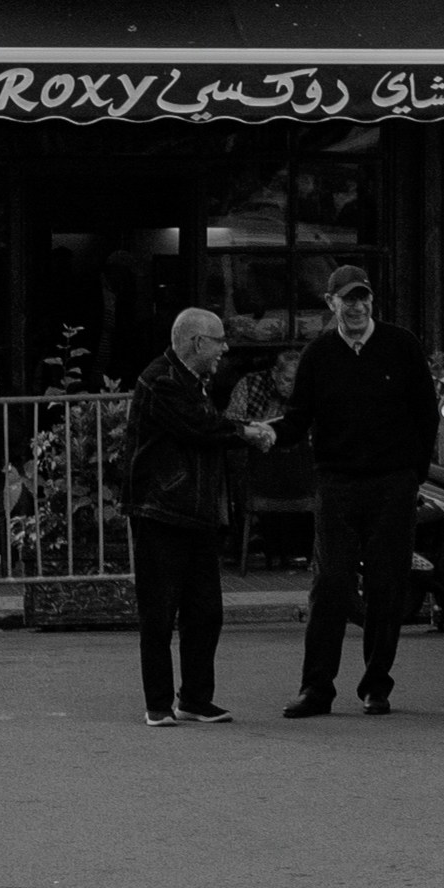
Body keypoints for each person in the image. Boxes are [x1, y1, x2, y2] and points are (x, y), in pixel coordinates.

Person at [280, 264, 440, 721]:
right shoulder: (318, 356)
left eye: (363, 298)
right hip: (337, 483)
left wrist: (414, 474)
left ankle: (376, 686)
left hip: (392, 483)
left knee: (388, 584)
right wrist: (265, 435)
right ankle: (316, 689)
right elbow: (297, 418)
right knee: (330, 583)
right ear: (331, 303)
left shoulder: (401, 346)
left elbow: (426, 414)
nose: (356, 307)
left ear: (372, 301)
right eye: (347, 299)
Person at [122, 306, 274, 730]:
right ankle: (158, 703)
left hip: (196, 512)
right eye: (219, 340)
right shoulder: (161, 380)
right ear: (196, 342)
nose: (226, 348)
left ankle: (195, 699)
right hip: (161, 511)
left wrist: (242, 429)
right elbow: (200, 428)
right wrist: (245, 432)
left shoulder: (193, 380)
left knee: (205, 611)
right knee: (158, 611)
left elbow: (206, 425)